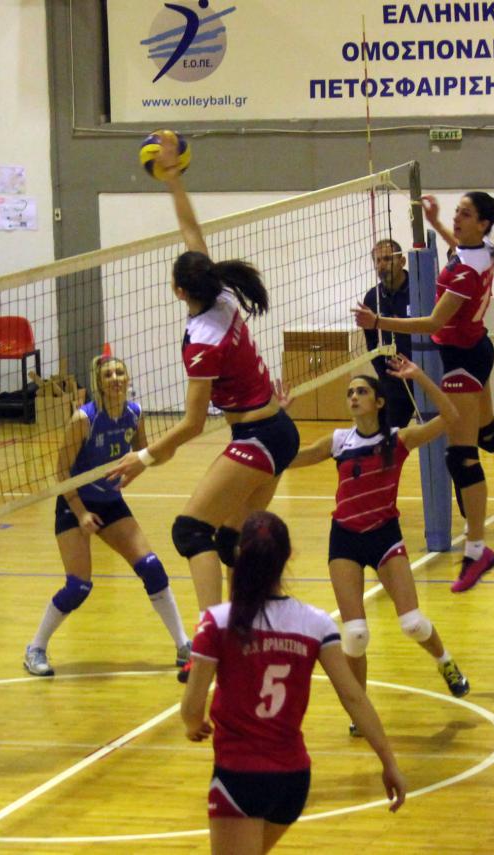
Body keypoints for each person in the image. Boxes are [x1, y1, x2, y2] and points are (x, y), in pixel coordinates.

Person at [110, 131, 301, 681]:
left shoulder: (203, 342)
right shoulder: (222, 295)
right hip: (274, 430)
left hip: (260, 437)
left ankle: (210, 644)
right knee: (234, 541)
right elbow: (192, 233)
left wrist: (143, 457)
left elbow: (193, 424)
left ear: (177, 291)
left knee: (190, 532)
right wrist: (173, 180)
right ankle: (251, 631)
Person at [353, 193, 494, 593]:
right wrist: (435, 222)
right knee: (488, 435)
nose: (457, 218)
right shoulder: (479, 252)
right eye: (457, 213)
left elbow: (433, 322)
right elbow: (459, 247)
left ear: (483, 224)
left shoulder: (467, 273)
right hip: (476, 350)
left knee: (461, 456)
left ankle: (477, 550)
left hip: (464, 360)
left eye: (465, 214)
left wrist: (378, 321)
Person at [181, 510, 406, 854]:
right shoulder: (316, 623)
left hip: (240, 776)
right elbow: (354, 698)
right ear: (288, 557)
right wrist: (388, 761)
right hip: (293, 780)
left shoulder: (219, 621)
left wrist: (193, 725)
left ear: (239, 555)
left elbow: (192, 707)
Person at [282, 358, 470, 733]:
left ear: (379, 402)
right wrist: (279, 418)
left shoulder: (398, 439)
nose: (354, 396)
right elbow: (289, 459)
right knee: (354, 635)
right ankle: (361, 711)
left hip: (385, 536)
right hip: (345, 539)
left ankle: (445, 661)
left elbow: (451, 416)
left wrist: (419, 376)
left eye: (362, 391)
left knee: (412, 623)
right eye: (350, 392)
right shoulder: (338, 441)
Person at [23, 353, 192, 677]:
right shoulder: (84, 419)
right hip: (75, 504)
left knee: (151, 567)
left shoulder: (135, 414)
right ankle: (35, 648)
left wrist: (157, 456)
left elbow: (143, 455)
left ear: (128, 379)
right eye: (108, 375)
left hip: (110, 503)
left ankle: (183, 645)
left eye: (119, 373)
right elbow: (61, 472)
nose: (115, 379)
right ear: (99, 383)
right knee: (79, 586)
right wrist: (81, 513)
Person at [360, 239, 418, 426]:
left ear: (402, 261)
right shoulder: (372, 298)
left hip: (424, 375)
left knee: (436, 433)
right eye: (377, 260)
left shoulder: (420, 289)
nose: (381, 265)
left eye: (387, 259)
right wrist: (384, 375)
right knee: (387, 433)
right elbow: (371, 344)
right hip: (394, 380)